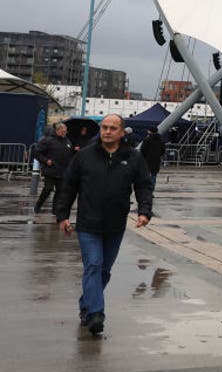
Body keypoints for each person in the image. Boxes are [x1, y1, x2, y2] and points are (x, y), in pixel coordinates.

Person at [55, 114, 154, 335]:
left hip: (115, 224)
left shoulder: (134, 157)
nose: (107, 131)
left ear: (121, 132)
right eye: (104, 127)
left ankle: (86, 304)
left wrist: (145, 212)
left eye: (112, 128)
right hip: (88, 224)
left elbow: (144, 185)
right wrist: (62, 215)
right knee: (93, 265)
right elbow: (69, 186)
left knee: (104, 271)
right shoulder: (85, 156)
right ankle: (96, 314)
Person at [32, 122, 74, 214]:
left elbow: (70, 155)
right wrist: (46, 160)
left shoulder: (68, 142)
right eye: (63, 131)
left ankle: (55, 210)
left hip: (62, 171)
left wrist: (74, 152)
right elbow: (36, 152)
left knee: (60, 191)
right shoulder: (48, 140)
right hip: (50, 170)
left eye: (65, 132)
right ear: (57, 130)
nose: (64, 133)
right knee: (48, 188)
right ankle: (38, 205)